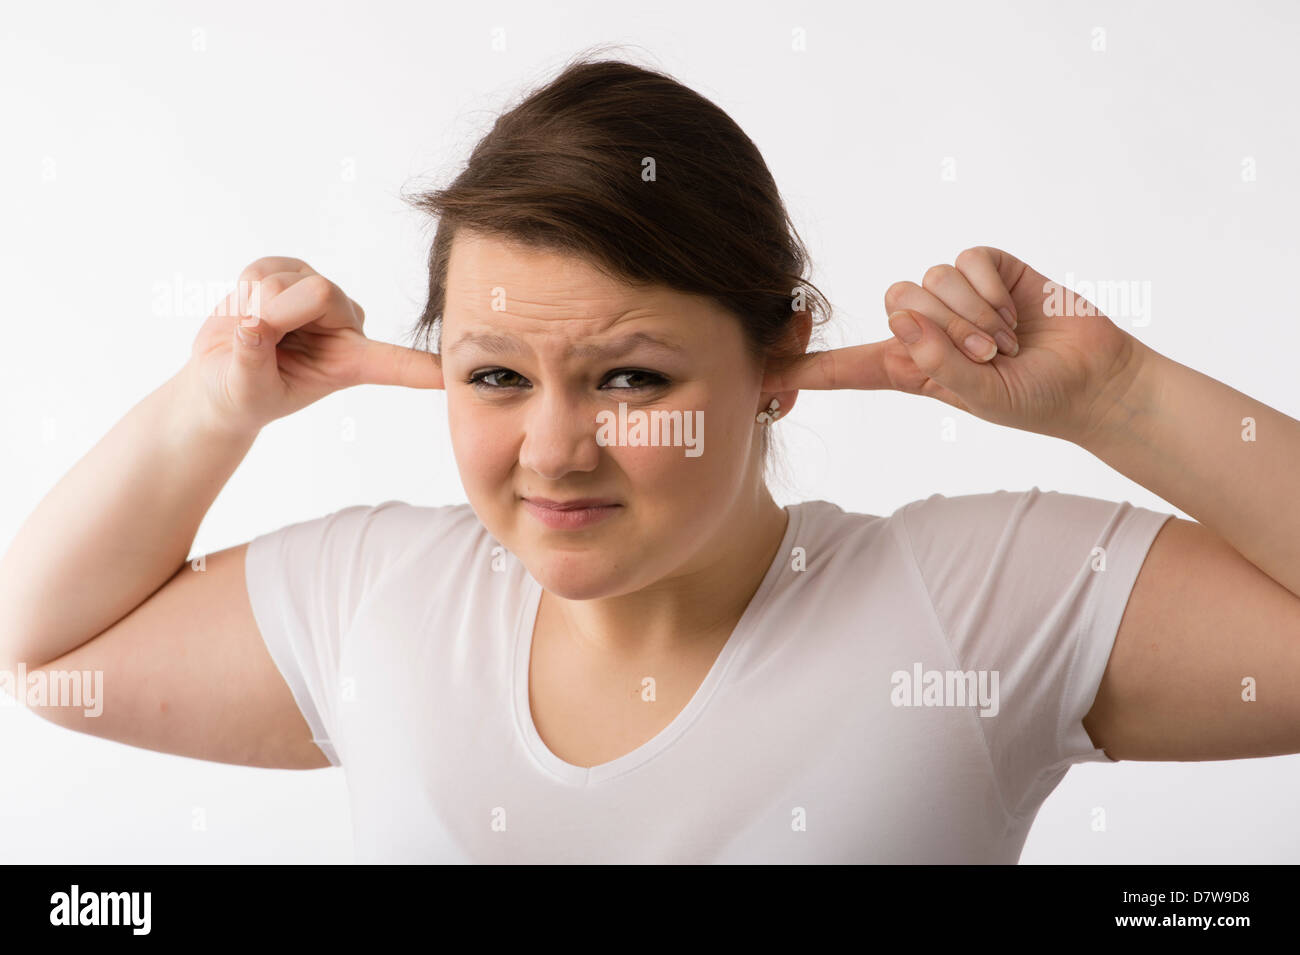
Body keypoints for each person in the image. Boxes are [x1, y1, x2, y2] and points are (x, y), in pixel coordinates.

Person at [3, 55, 1298, 864]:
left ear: (777, 360)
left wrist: (1118, 396)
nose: (554, 451)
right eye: (498, 374)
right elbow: (45, 658)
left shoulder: (969, 606)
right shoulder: (381, 600)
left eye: (631, 377)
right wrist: (210, 402)